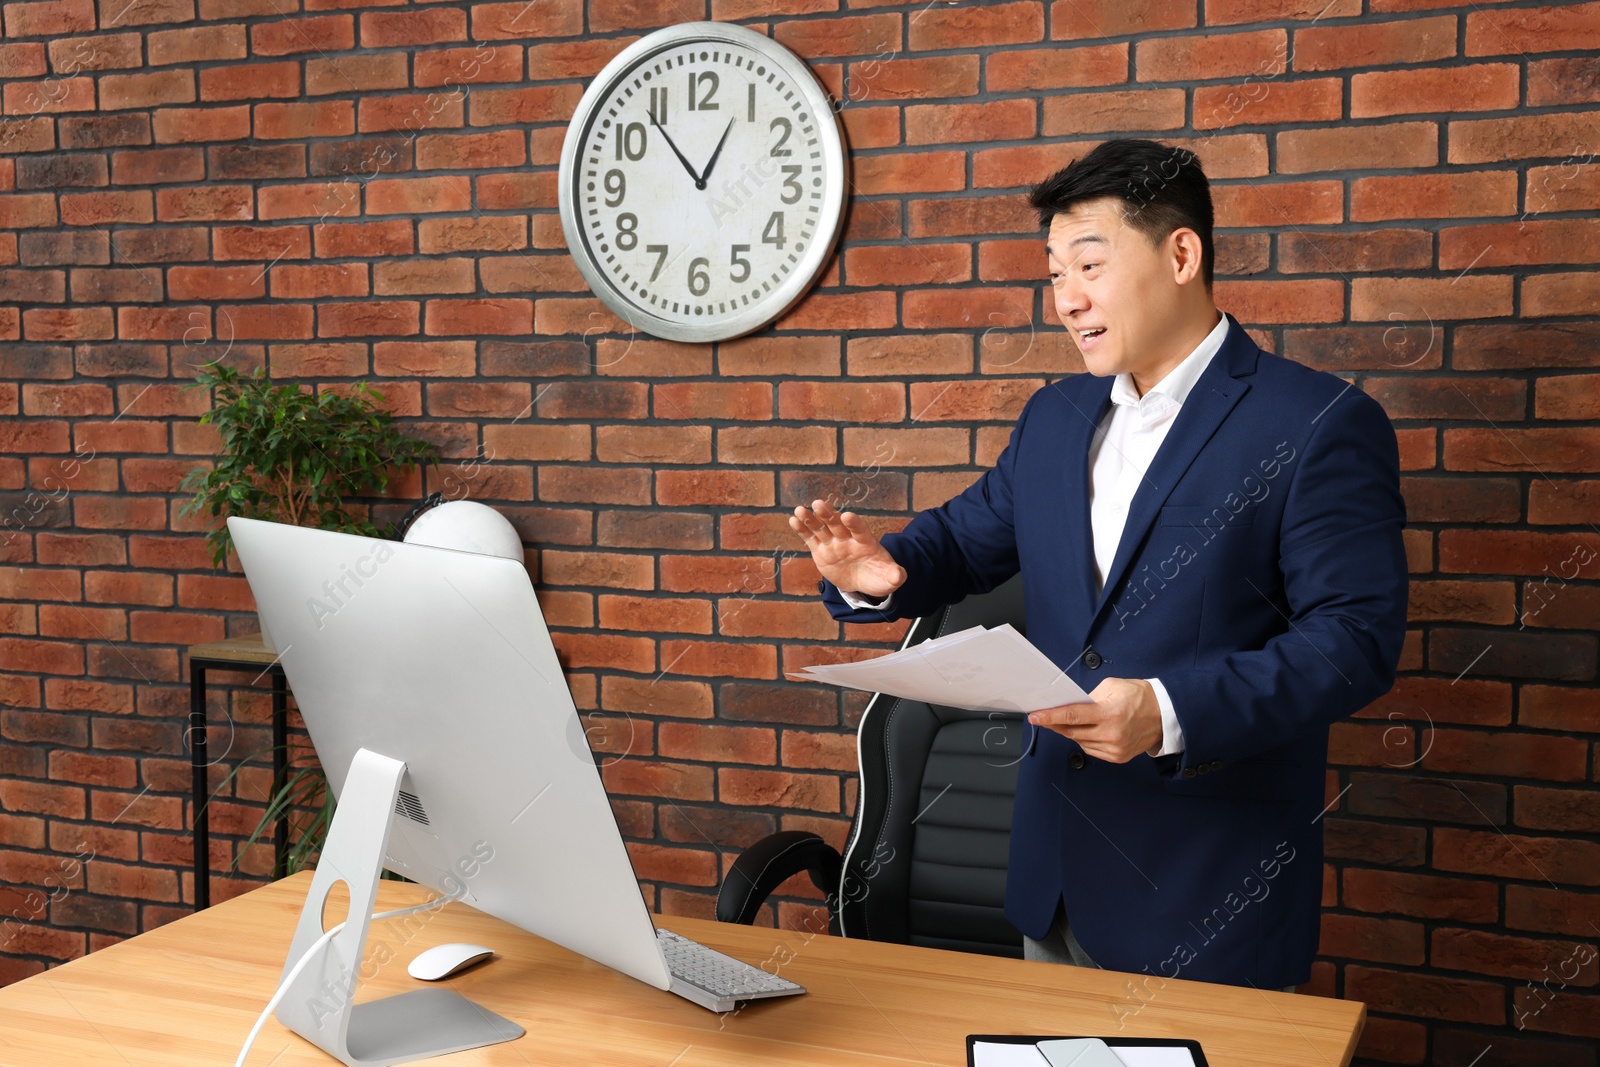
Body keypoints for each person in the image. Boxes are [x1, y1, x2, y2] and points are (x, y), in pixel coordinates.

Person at [789, 138, 1408, 992]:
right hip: (1054, 882)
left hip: (1208, 899)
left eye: (1089, 265)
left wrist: (1167, 709)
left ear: (1181, 254)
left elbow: (1354, 640)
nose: (1067, 299)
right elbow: (969, 538)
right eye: (1053, 275)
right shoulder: (1057, 415)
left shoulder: (1316, 422)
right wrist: (882, 571)